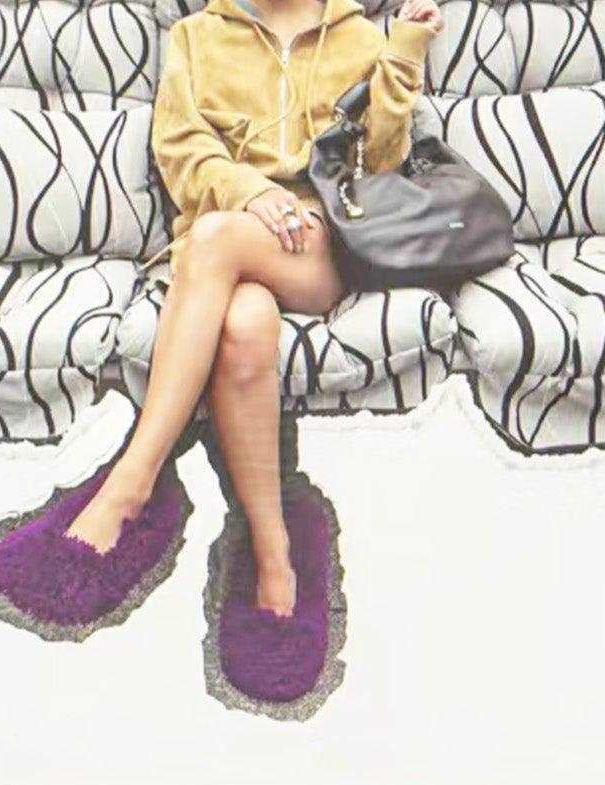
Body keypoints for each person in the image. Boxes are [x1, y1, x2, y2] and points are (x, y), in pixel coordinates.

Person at [77, 0, 441, 618]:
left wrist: (403, 52)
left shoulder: (356, 38)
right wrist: (251, 192)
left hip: (317, 250)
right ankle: (273, 550)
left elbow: (381, 166)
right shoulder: (195, 38)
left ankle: (132, 480)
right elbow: (180, 152)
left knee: (216, 238)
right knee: (245, 324)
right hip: (223, 255)